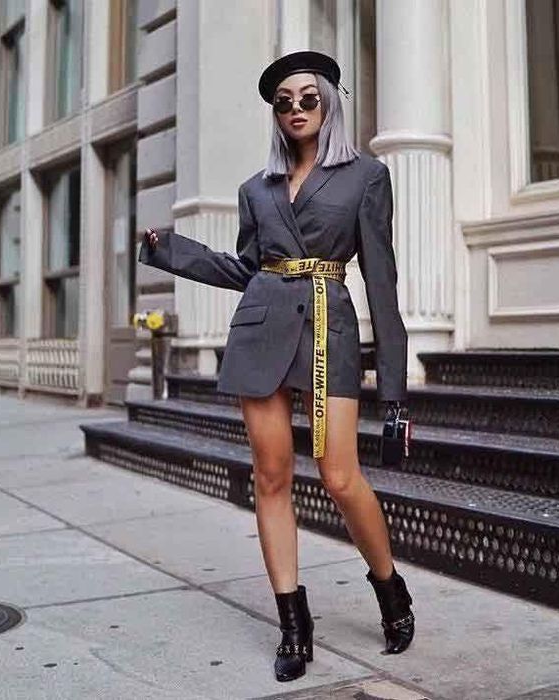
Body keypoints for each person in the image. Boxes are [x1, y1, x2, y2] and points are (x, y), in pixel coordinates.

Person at [140, 50, 415, 683]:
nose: (295, 109)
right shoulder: (256, 190)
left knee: (340, 476)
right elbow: (246, 269)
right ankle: (294, 623)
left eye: (307, 98)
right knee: (270, 477)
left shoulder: (366, 176)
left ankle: (389, 587)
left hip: (328, 329)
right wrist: (173, 252)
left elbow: (382, 285)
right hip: (261, 331)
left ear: (329, 104)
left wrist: (394, 393)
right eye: (283, 102)